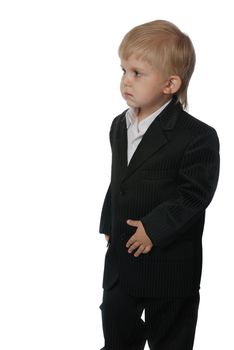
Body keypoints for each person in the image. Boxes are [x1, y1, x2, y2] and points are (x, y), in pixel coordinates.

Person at [99, 19, 220, 350]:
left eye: (138, 73)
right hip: (122, 263)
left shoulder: (198, 137)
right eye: (124, 70)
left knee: (170, 340)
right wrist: (109, 220)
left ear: (169, 83)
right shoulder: (119, 126)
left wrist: (153, 229)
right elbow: (119, 179)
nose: (126, 80)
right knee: (117, 331)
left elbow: (195, 195)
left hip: (169, 267)